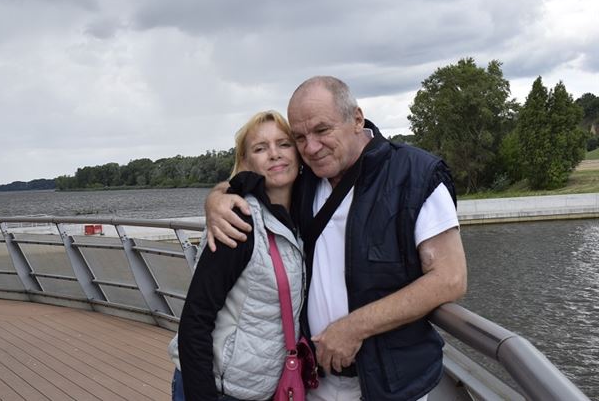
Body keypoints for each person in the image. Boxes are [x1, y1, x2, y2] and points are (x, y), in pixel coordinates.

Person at [205, 76, 467, 401]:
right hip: (316, 381)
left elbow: (450, 279)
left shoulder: (415, 174)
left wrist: (354, 327)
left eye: (322, 130)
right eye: (300, 138)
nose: (311, 148)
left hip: (391, 386)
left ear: (356, 119)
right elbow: (250, 184)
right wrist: (216, 200)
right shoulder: (305, 181)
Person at [169, 111, 305, 401]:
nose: (274, 154)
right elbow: (196, 319)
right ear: (245, 162)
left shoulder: (300, 218)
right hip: (220, 389)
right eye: (260, 148)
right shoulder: (238, 222)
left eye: (284, 144)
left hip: (260, 389)